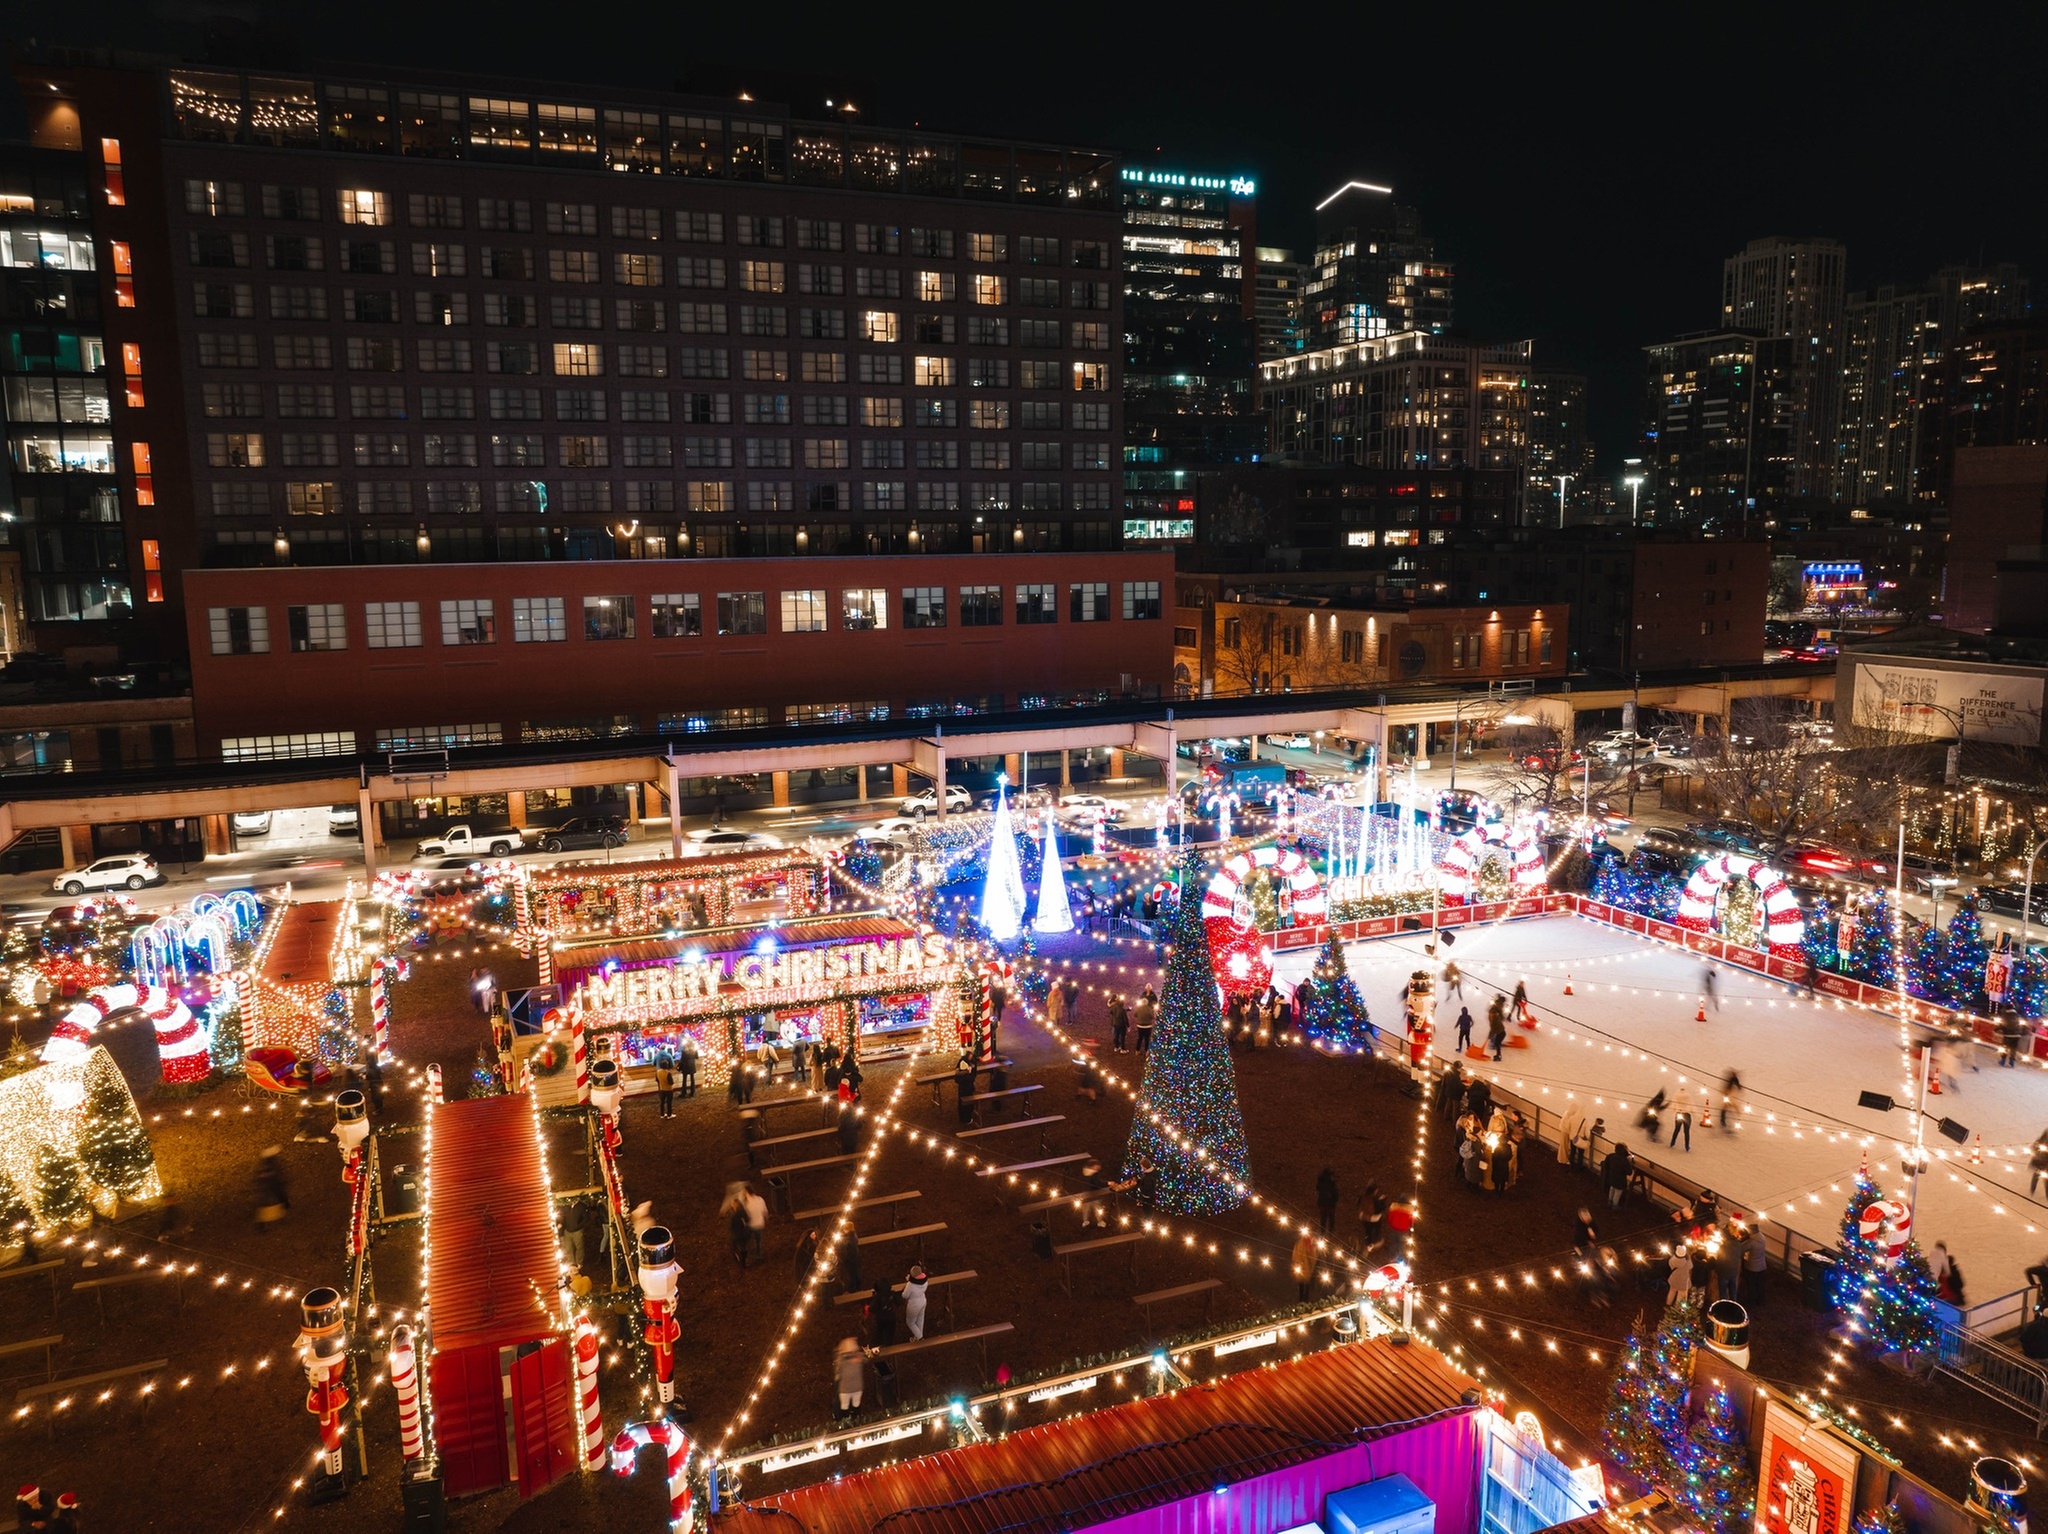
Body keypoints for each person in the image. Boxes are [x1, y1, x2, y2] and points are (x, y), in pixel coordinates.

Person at [255, 1147, 289, 1230]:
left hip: (271, 1185)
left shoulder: (266, 1165)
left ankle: (261, 1225)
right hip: (272, 1185)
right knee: (269, 1202)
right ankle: (261, 1225)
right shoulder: (269, 1165)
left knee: (270, 1201)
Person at [832, 1335, 866, 1420]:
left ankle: (848, 1422)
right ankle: (854, 1421)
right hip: (850, 1388)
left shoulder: (849, 1358)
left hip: (849, 1388)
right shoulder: (847, 1359)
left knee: (849, 1407)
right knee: (851, 1407)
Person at [1742, 1220, 1770, 1309]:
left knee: (1752, 1285)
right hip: (1762, 1266)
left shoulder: (1752, 1242)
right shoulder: (1762, 1237)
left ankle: (1752, 1302)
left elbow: (1741, 1248)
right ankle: (1761, 1301)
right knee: (1760, 1285)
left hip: (1752, 1267)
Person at [560, 1197, 590, 1274]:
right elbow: (562, 1217)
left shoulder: (581, 1206)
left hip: (577, 1231)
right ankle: (571, 1265)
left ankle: (579, 1264)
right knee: (568, 1248)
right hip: (568, 1231)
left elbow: (585, 1218)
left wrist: (579, 1226)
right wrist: (562, 1225)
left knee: (579, 1247)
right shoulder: (566, 1206)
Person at [1601, 1141, 1633, 1210]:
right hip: (1620, 1180)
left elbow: (1606, 1165)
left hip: (1612, 1177)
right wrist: (1629, 1162)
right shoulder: (1624, 1161)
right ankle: (1615, 1205)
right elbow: (1629, 1172)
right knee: (1618, 1192)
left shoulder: (1611, 1156)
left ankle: (1609, 1201)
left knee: (1612, 1188)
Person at [1357, 1185, 1386, 1256]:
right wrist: (1382, 1201)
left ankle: (1368, 1244)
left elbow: (1358, 1204)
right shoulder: (1374, 1199)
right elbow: (1379, 1209)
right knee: (1376, 1229)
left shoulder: (1363, 1197)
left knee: (1368, 1231)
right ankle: (1374, 1243)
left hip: (1364, 1217)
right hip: (1373, 1218)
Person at [742, 1184, 768, 1263]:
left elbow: (744, 1216)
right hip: (759, 1224)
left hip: (750, 1225)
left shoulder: (746, 1204)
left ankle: (748, 1256)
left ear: (746, 1192)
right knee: (758, 1240)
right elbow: (765, 1212)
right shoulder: (760, 1199)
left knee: (748, 1240)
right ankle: (758, 1255)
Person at [903, 1265, 930, 1339]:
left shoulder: (910, 1285)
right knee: (920, 1319)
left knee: (910, 1322)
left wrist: (908, 1282)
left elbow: (905, 1295)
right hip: (923, 1301)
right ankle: (918, 1336)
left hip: (914, 1305)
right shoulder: (925, 1281)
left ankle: (920, 1337)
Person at [1292, 1229, 1319, 1300]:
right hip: (1302, 1269)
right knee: (1302, 1285)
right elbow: (1295, 1255)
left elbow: (1314, 1257)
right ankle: (1302, 1299)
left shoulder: (1312, 1245)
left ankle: (1305, 1299)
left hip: (1307, 1269)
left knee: (1306, 1286)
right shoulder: (1299, 1244)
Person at [1315, 1168, 1339, 1234]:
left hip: (1322, 1204)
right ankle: (1330, 1232)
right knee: (1331, 1219)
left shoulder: (1321, 1183)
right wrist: (1335, 1198)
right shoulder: (1330, 1184)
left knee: (1323, 1218)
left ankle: (1323, 1231)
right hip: (1330, 1205)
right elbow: (1335, 1194)